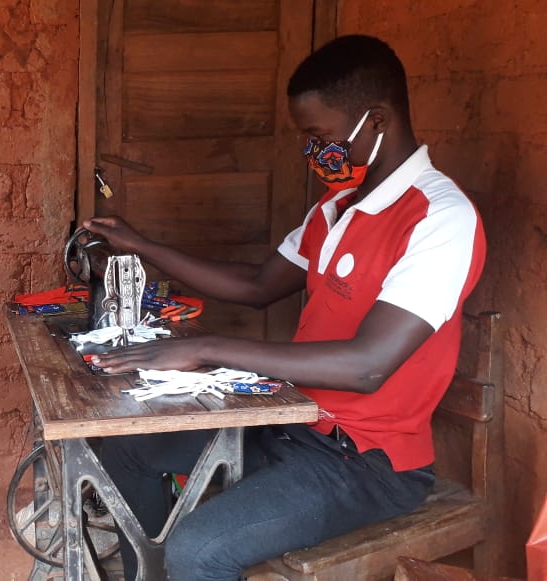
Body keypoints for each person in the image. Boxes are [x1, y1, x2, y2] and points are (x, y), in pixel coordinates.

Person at [82, 34, 485, 581]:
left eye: (321, 137)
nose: (313, 152)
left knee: (200, 550)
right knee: (127, 451)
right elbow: (256, 284)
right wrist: (142, 245)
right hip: (289, 420)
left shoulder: (439, 218)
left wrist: (206, 348)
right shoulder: (337, 207)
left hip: (365, 459)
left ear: (377, 120)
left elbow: (368, 366)